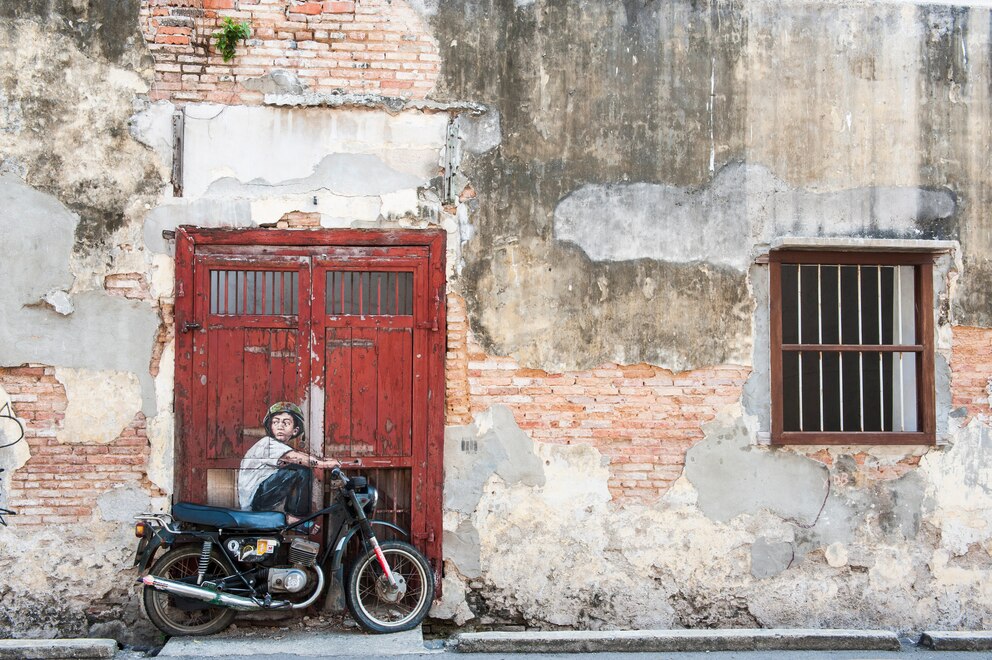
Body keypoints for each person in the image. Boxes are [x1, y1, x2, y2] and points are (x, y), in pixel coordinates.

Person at [237, 401, 339, 523]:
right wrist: (323, 464)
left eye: (286, 423)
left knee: (298, 468)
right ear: (271, 427)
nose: (280, 426)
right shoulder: (267, 443)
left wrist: (320, 460)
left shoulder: (280, 448)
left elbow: (298, 455)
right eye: (276, 422)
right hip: (254, 502)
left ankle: (293, 517)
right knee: (301, 470)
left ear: (295, 431)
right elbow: (295, 458)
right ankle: (296, 518)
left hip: (260, 499)